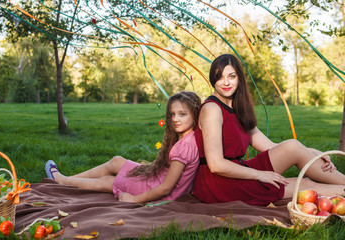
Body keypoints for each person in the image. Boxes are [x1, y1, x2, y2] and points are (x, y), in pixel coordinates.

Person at [192, 53, 345, 206]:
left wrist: (313, 153)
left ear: (239, 78)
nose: (226, 82)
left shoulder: (238, 109)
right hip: (218, 183)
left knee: (292, 146)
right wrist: (260, 175)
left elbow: (274, 147)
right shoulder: (212, 109)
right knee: (305, 186)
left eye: (231, 76)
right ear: (213, 79)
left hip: (238, 170)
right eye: (220, 77)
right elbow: (216, 165)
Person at [45, 91, 201, 203]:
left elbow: (166, 188)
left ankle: (63, 181)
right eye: (172, 114)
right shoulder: (186, 138)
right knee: (116, 161)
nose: (175, 119)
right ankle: (67, 179)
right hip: (156, 179)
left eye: (182, 114)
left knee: (108, 181)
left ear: (194, 115)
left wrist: (134, 199)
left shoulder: (185, 146)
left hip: (157, 190)